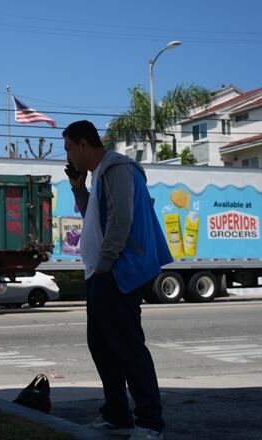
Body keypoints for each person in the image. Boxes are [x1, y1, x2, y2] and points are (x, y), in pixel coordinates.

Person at [63, 120, 173, 440]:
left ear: (84, 144)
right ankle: (117, 415)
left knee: (128, 348)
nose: (69, 155)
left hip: (114, 274)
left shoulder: (116, 169)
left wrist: (106, 265)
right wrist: (77, 186)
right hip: (100, 273)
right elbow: (93, 218)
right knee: (102, 346)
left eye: (70, 148)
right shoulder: (99, 176)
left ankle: (150, 422)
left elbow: (121, 222)